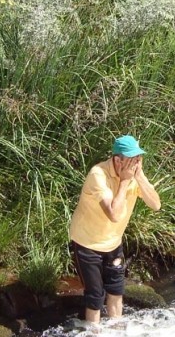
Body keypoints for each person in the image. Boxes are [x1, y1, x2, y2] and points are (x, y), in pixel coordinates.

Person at [69, 135, 161, 323]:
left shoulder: (134, 175)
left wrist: (139, 177)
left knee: (116, 291)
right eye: (132, 159)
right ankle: (93, 336)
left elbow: (155, 205)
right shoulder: (98, 175)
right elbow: (114, 215)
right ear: (118, 160)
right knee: (95, 296)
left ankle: (116, 333)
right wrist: (125, 182)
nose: (136, 163)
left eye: (138, 158)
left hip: (113, 243)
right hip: (88, 243)